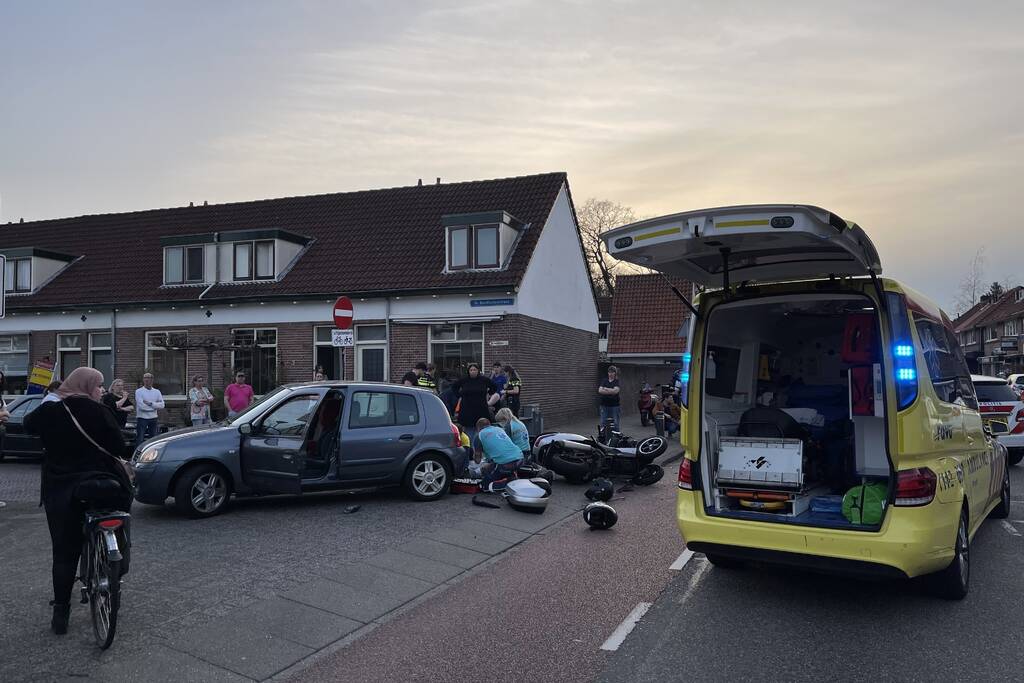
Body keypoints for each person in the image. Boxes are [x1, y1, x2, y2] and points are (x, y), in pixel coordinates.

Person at [24, 368, 132, 636]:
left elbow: (28, 425)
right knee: (119, 520)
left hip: (63, 489)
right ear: (87, 386)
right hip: (103, 485)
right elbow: (119, 447)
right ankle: (115, 566)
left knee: (63, 552)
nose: (101, 391)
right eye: (98, 386)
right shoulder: (99, 411)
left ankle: (61, 613)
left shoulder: (49, 411)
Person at [474, 417, 525, 487]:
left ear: (478, 428)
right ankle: (511, 477)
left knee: (485, 485)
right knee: (495, 466)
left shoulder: (479, 436)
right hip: (520, 458)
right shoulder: (500, 429)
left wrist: (475, 454)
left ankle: (507, 482)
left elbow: (477, 461)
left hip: (505, 463)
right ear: (489, 424)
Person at [453, 364, 497, 443]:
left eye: (474, 370)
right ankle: (470, 446)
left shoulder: (484, 380)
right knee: (469, 430)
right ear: (468, 371)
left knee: (482, 428)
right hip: (467, 408)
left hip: (481, 407)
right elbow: (454, 387)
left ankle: (480, 445)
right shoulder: (464, 380)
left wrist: (489, 393)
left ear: (478, 371)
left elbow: (494, 387)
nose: (473, 372)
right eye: (471, 370)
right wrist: (459, 395)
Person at [135, 372, 165, 446]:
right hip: (142, 418)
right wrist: (155, 407)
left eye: (148, 378)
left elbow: (162, 405)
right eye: (145, 378)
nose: (147, 379)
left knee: (153, 439)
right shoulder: (139, 391)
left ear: (152, 380)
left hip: (153, 418)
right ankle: (138, 452)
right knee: (140, 438)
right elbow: (141, 406)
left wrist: (151, 404)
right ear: (143, 379)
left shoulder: (157, 392)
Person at [598, 366, 622, 431]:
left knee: (615, 423)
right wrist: (611, 390)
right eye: (609, 372)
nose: (610, 374)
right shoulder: (604, 380)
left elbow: (616, 391)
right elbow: (600, 390)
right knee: (603, 422)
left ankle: (616, 435)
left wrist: (605, 388)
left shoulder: (616, 381)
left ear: (615, 373)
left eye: (612, 372)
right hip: (604, 405)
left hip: (614, 406)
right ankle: (602, 435)